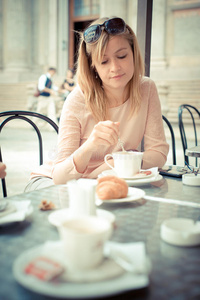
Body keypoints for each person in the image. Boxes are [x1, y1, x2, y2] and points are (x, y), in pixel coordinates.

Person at [25, 17, 169, 191]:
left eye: (122, 56)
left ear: (133, 53)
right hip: (53, 183)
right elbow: (60, 177)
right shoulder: (78, 99)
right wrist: (90, 146)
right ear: (93, 66)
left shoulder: (146, 88)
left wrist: (113, 164)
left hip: (104, 181)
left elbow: (158, 154)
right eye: (104, 61)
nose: (115, 67)